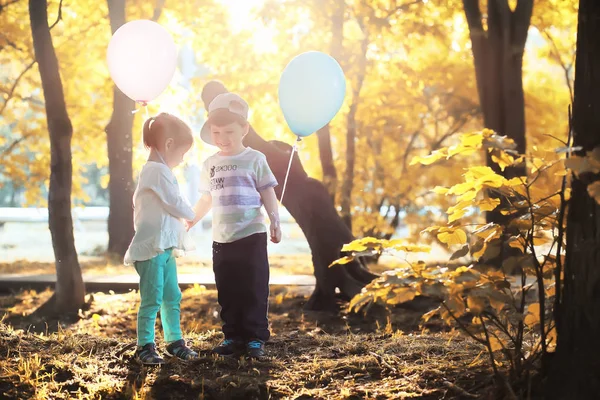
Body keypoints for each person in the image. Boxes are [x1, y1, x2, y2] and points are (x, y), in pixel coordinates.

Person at [187, 92, 281, 359]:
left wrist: (274, 219)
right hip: (222, 238)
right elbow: (207, 198)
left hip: (251, 233)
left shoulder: (255, 159)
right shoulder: (210, 164)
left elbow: (268, 191)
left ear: (244, 130)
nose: (222, 138)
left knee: (253, 286)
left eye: (229, 131)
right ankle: (232, 336)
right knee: (227, 287)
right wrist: (191, 219)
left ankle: (254, 337)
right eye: (216, 133)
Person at [124, 113, 198, 365]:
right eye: (182, 153)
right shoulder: (156, 171)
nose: (182, 159)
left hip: (164, 247)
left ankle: (174, 341)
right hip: (151, 249)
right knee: (152, 298)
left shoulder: (159, 171)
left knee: (171, 295)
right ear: (168, 145)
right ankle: (144, 345)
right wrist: (193, 214)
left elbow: (171, 202)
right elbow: (174, 201)